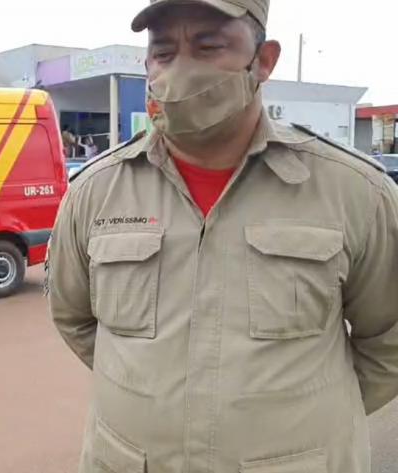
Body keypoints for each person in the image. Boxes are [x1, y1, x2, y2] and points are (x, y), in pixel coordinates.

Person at [46, 1, 398, 472]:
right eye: (164, 51)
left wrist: (298, 417)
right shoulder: (96, 192)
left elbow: (389, 340)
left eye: (209, 46)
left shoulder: (354, 192)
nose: (182, 69)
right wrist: (154, 395)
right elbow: (75, 319)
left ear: (264, 60)